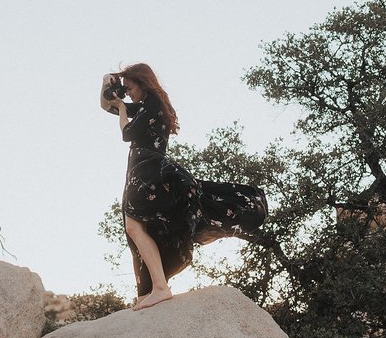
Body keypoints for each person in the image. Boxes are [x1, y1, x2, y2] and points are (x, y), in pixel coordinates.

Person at [100, 63, 268, 311]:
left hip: (148, 170)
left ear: (142, 82)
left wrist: (123, 107)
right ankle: (148, 290)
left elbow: (127, 133)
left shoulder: (153, 102)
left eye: (130, 87)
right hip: (141, 170)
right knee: (136, 229)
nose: (128, 93)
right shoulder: (148, 105)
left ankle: (158, 287)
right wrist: (109, 83)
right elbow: (107, 107)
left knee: (134, 226)